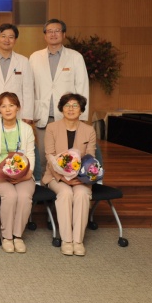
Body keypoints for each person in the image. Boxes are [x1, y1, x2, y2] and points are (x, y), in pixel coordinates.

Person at [30, 19, 89, 181]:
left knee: (67, 155)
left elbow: (82, 86)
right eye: (49, 31)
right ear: (45, 35)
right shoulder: (35, 57)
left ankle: (65, 184)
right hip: (43, 115)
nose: (53, 34)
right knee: (44, 154)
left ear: (63, 34)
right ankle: (45, 184)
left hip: (68, 116)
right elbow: (29, 87)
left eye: (57, 31)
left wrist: (82, 115)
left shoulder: (75, 57)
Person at [0, 92, 36, 254]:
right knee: (10, 195)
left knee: (24, 196)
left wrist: (28, 172)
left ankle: (17, 236)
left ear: (18, 108)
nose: (8, 109)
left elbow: (30, 154)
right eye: (3, 106)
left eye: (11, 105)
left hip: (23, 173)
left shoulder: (26, 129)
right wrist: (0, 170)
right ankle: (7, 237)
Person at [43, 93, 96, 256]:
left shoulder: (89, 130)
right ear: (61, 109)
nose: (70, 109)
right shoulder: (52, 128)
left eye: (75, 105)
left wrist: (80, 178)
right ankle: (66, 240)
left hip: (81, 178)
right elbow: (50, 156)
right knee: (65, 194)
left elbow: (90, 158)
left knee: (81, 194)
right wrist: (63, 178)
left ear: (81, 110)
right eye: (67, 105)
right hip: (55, 176)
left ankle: (78, 240)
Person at [0, 24, 35, 123]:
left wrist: (27, 115)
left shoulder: (23, 61)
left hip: (16, 113)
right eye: (3, 36)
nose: (7, 40)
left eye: (11, 37)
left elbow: (28, 90)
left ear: (15, 40)